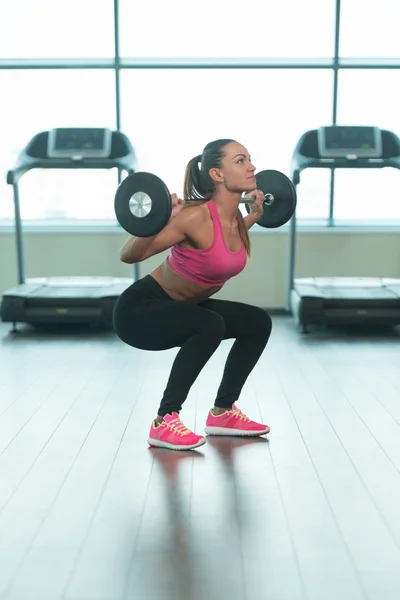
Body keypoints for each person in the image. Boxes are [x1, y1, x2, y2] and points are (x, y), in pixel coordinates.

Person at [113, 139, 273, 451]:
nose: (252, 166)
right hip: (139, 311)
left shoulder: (234, 221)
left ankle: (223, 413)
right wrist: (155, 221)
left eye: (250, 159)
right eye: (240, 161)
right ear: (217, 174)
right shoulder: (193, 217)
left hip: (182, 307)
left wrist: (255, 212)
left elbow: (226, 242)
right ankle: (164, 421)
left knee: (257, 322)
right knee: (209, 323)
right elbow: (127, 256)